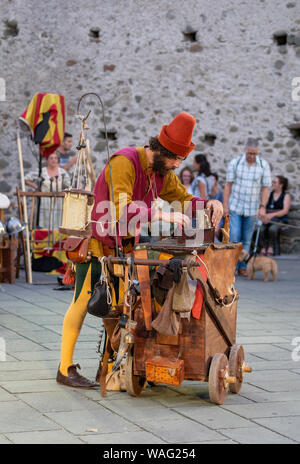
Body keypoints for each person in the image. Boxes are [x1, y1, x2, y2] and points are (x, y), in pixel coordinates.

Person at [56, 112, 223, 388]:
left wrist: (209, 203)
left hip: (126, 248)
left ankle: (110, 366)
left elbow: (183, 198)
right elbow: (121, 208)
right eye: (175, 159)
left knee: (119, 308)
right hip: (98, 244)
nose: (176, 165)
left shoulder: (161, 172)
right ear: (160, 150)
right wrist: (163, 216)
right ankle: (65, 368)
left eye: (180, 160)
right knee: (83, 303)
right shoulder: (124, 161)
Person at [223, 138, 271, 276]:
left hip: (252, 209)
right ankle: (231, 266)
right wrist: (225, 206)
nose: (252, 156)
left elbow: (265, 188)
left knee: (246, 239)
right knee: (235, 236)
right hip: (236, 206)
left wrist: (263, 207)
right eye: (250, 153)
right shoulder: (235, 163)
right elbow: (228, 185)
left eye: (255, 153)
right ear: (245, 150)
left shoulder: (263, 165)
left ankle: (243, 266)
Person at [25, 152, 70, 229]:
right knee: (45, 222)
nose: (53, 160)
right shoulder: (41, 171)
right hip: (44, 201)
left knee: (58, 222)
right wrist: (36, 187)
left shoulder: (62, 172)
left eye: (55, 158)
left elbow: (68, 185)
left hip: (58, 201)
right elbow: (26, 179)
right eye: (51, 158)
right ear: (47, 160)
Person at [260, 176, 291, 256]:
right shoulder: (270, 194)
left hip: (280, 219)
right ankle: (263, 247)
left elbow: (285, 211)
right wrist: (264, 216)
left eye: (275, 182)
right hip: (268, 219)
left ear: (281, 185)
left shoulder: (285, 196)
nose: (272, 184)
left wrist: (271, 215)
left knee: (272, 229)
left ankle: (271, 247)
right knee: (261, 228)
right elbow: (264, 207)